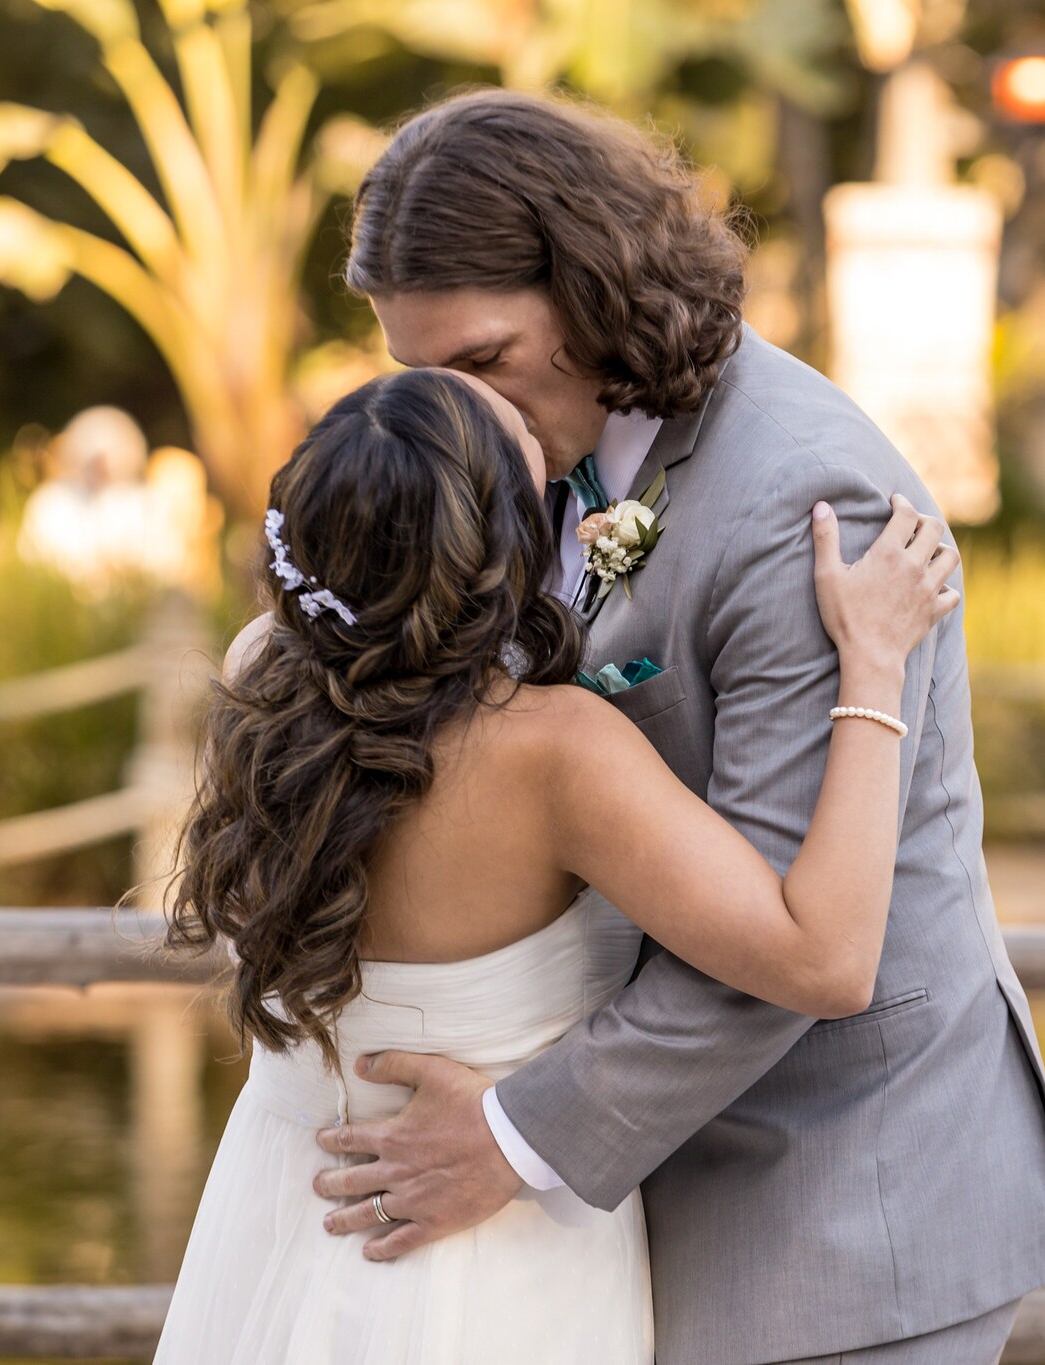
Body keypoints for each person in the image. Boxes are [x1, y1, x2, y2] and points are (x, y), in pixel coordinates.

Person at [300, 90, 1045, 1364]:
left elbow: (795, 923)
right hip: (658, 1172)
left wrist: (512, 1136)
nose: (465, 414)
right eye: (423, 375)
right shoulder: (532, 458)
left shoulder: (800, 500)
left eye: (484, 361)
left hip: (836, 1186)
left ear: (589, 287)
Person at [154, 364, 958, 1362]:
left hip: (280, 1207)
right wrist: (873, 667)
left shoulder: (256, 681)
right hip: (491, 1261)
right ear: (497, 546)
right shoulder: (551, 752)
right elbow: (825, 958)